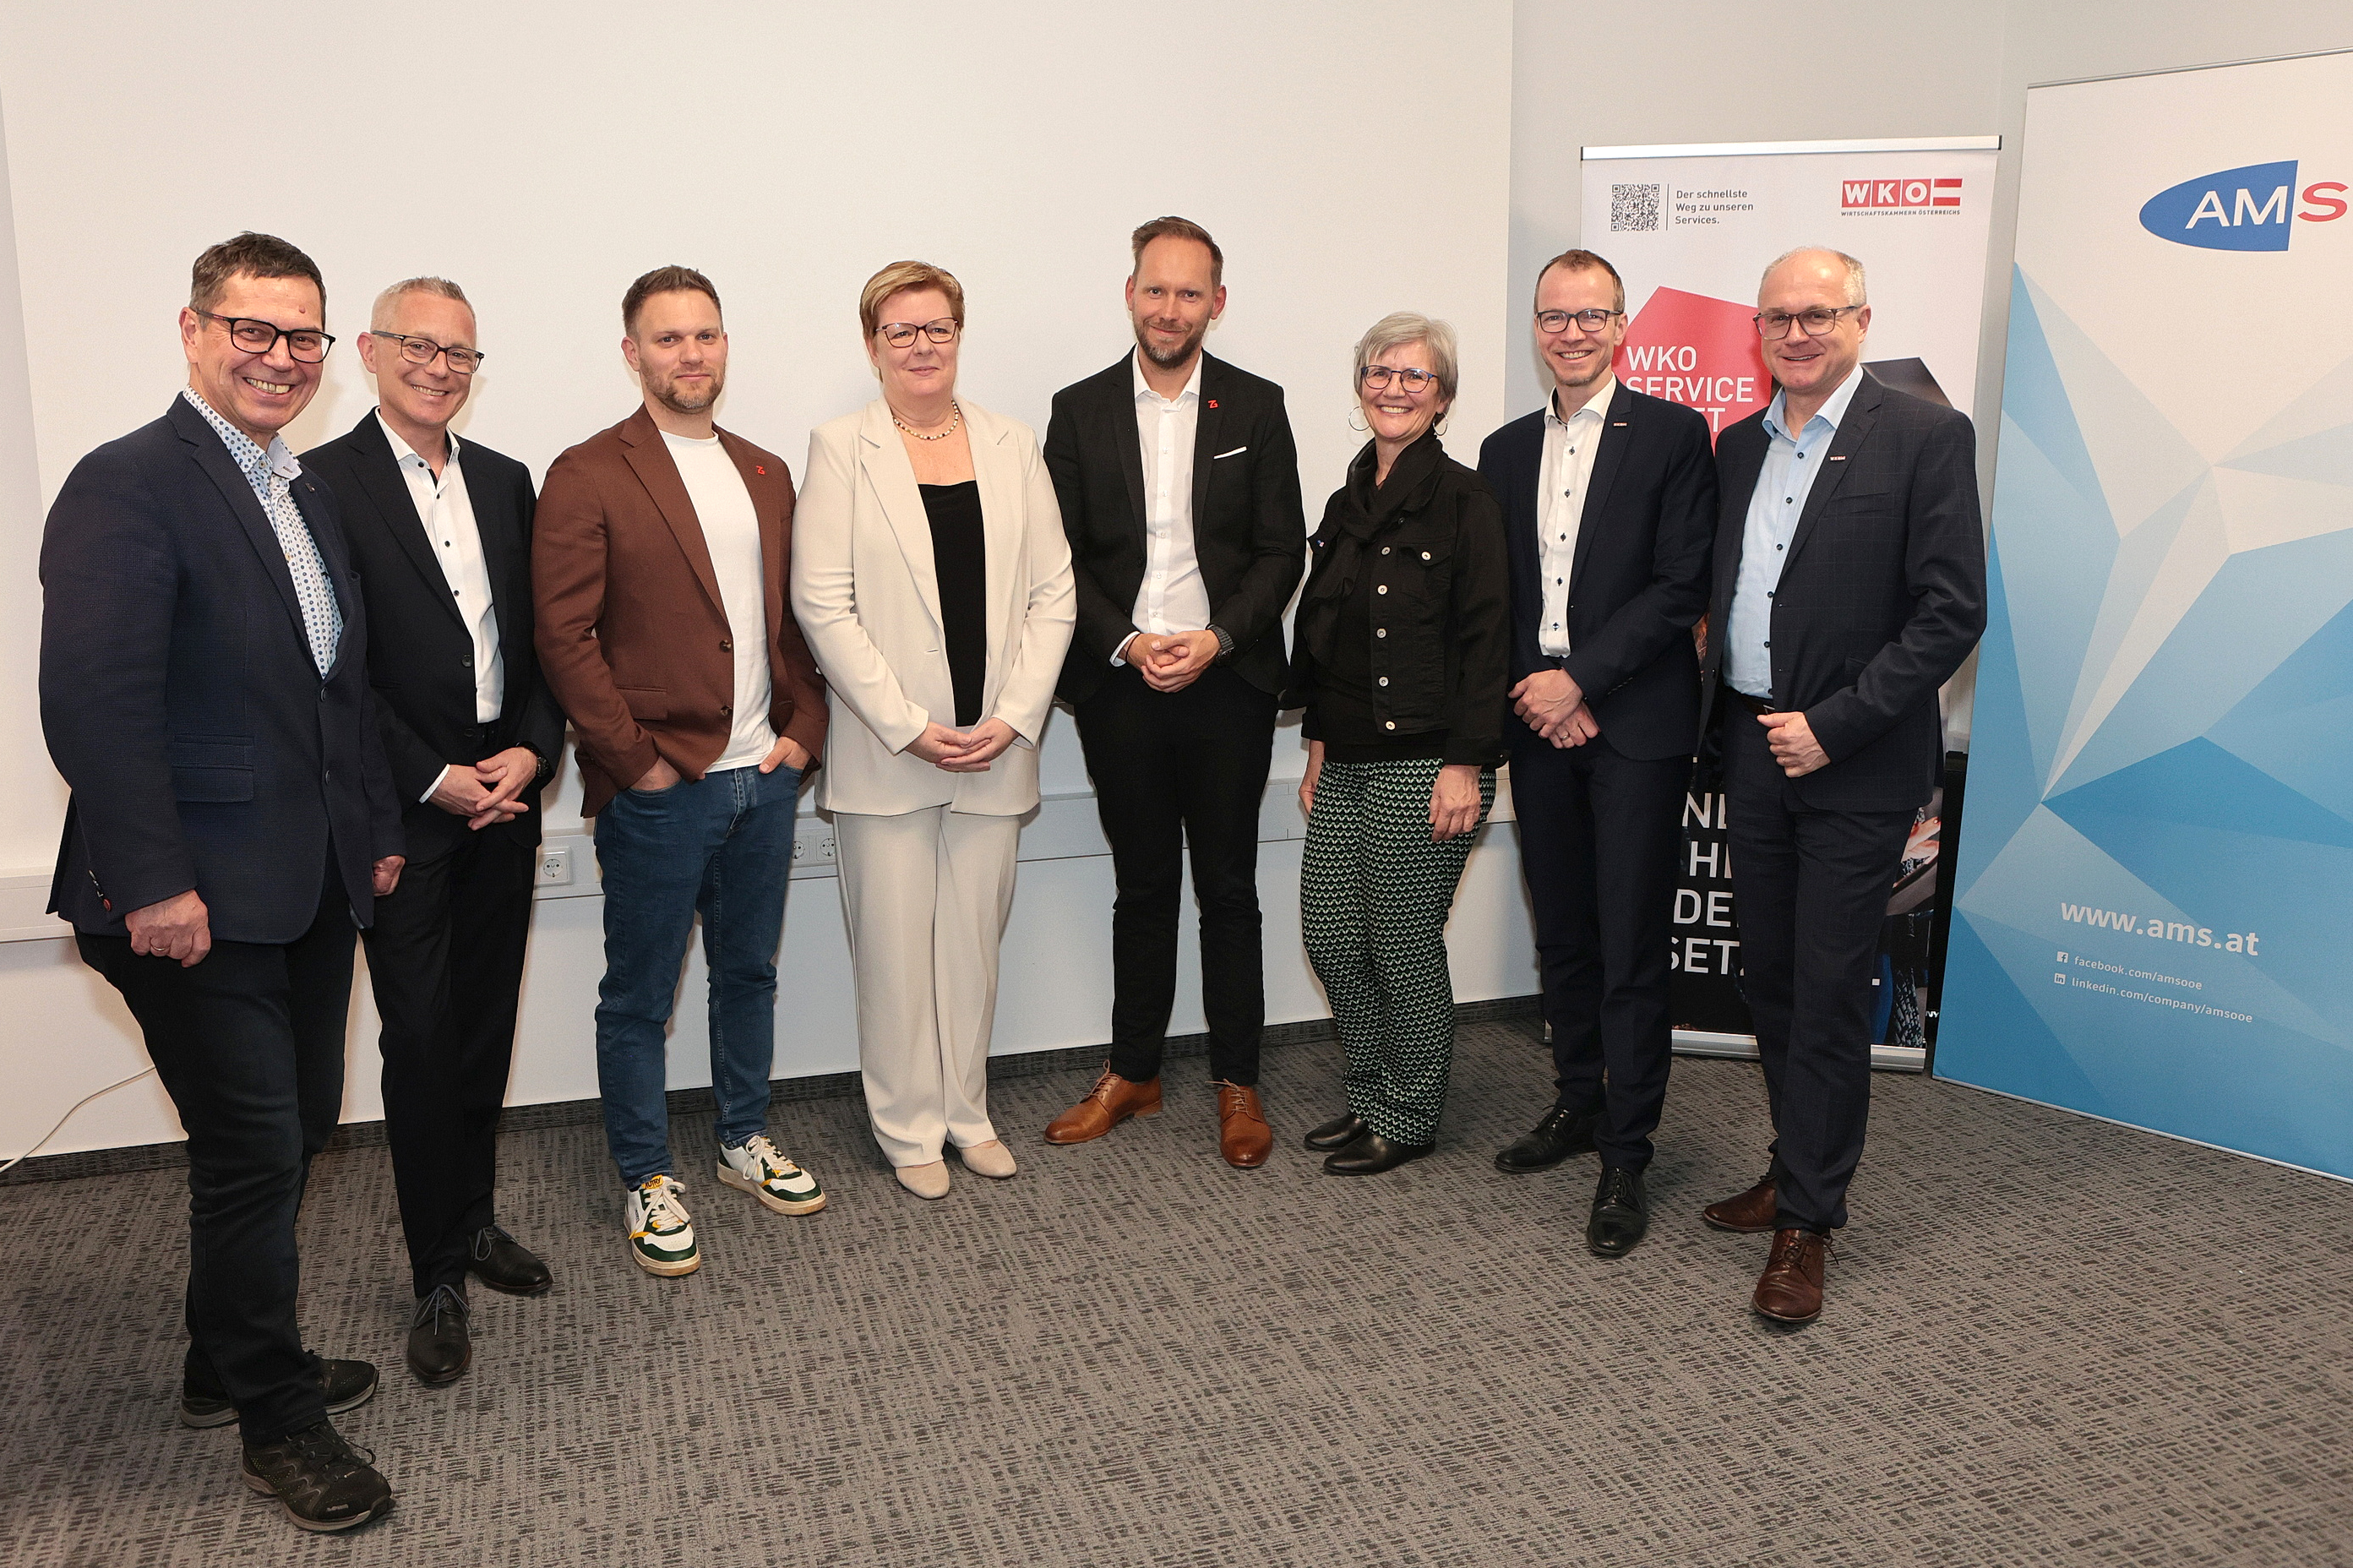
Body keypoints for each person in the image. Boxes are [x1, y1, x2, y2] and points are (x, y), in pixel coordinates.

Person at [39, 232, 401, 1531]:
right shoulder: (127, 482)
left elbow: (336, 691)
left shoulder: (299, 491)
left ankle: (220, 1361)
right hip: (186, 897)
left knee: (295, 1128)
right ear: (193, 331)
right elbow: (95, 705)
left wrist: (371, 830)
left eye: (303, 334)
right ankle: (276, 1419)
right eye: (254, 328)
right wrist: (153, 882)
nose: (281, 356)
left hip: (304, 882)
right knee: (253, 1148)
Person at [1700, 248, 1984, 1323]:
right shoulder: (1738, 445)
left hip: (1854, 760)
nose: (1797, 332)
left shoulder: (1923, 435)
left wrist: (1834, 724)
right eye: (1778, 316)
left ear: (1861, 320)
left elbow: (1951, 611)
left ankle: (1809, 1220)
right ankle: (1794, 1162)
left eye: (1818, 313)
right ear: (1757, 332)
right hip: (1751, 748)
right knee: (1771, 977)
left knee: (1824, 990)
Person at [533, 266, 831, 1278]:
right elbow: (564, 636)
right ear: (632, 353)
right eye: (667, 338)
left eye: (705, 335)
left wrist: (804, 731)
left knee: (749, 973)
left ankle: (742, 1136)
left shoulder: (765, 471)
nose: (689, 354)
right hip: (664, 790)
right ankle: (646, 1174)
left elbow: (795, 621)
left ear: (724, 346)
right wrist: (639, 765)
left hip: (765, 779)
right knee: (639, 995)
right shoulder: (587, 472)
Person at [302, 277, 562, 1383]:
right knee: (418, 1040)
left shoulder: (506, 480)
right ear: (370, 352)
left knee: (485, 1026)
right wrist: (433, 776)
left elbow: (540, 642)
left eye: (458, 352)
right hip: (402, 813)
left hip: (507, 800)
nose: (439, 368)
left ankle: (475, 1219)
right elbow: (335, 666)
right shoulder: (320, 483)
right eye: (418, 346)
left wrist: (534, 749)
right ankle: (436, 1275)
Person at [792, 261, 1076, 1200]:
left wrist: (1016, 715)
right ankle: (908, 1125)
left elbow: (1054, 592)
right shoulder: (841, 447)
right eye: (901, 331)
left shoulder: (1010, 442)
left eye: (937, 328)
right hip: (888, 751)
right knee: (894, 955)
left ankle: (968, 1113)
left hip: (994, 744)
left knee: (970, 948)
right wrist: (906, 724)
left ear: (959, 333)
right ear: (872, 344)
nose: (921, 346)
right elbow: (822, 603)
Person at [1041, 216, 1305, 1168]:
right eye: (1155, 288)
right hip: (1119, 683)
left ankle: (1238, 1081)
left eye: (1189, 292)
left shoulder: (1257, 406)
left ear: (1215, 304)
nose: (1169, 307)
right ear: (1130, 293)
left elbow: (1281, 548)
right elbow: (1058, 556)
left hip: (1227, 682)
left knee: (1228, 887)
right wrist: (1125, 641)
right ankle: (1134, 1072)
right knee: (1143, 884)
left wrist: (1215, 637)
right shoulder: (1078, 410)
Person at [1475, 250, 1718, 1257]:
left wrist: (1582, 681)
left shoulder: (1672, 433)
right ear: (1535, 328)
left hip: (1635, 727)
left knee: (1629, 942)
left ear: (1620, 326)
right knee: (1564, 934)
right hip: (1540, 725)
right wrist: (1542, 692)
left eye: (1590, 316)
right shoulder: (1500, 450)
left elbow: (1680, 583)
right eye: (1553, 317)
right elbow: (1494, 594)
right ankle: (1578, 1100)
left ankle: (1628, 1147)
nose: (1570, 333)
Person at [1288, 313, 1509, 1174]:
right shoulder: (1346, 500)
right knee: (1332, 937)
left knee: (1401, 943)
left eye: (1415, 376)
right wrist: (1315, 742)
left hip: (1428, 762)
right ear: (1359, 385)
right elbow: (1327, 637)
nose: (1394, 388)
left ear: (1442, 397)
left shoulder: (1465, 500)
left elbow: (1488, 640)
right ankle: (1371, 1091)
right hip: (1344, 756)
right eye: (1379, 372)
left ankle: (1409, 1113)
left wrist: (1467, 763)